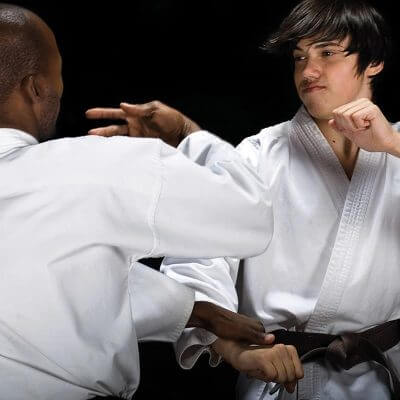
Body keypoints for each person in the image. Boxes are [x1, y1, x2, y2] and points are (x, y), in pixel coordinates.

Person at [0, 3, 304, 400]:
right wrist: (186, 135)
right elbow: (248, 216)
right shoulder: (92, 164)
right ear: (36, 87)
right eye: (58, 77)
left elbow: (41, 270)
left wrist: (191, 309)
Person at [104, 0, 399, 399]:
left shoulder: (398, 150)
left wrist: (392, 144)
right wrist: (237, 351)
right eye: (299, 58)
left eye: (327, 53)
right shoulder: (257, 156)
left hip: (382, 381)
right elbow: (198, 265)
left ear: (373, 61)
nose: (308, 71)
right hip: (283, 379)